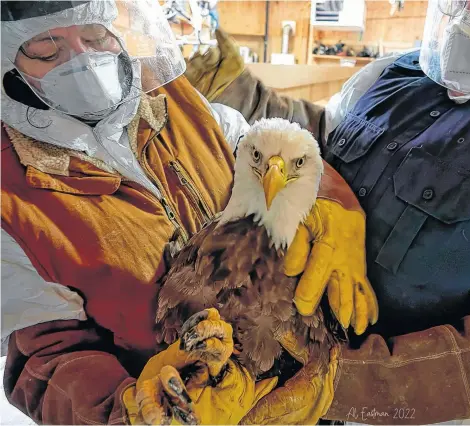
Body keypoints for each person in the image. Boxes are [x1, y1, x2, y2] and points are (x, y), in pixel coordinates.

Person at [0, 1, 379, 424]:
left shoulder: (174, 98)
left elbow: (267, 147)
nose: (85, 61)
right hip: (189, 401)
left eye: (94, 37)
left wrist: (331, 201)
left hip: (279, 355)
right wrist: (127, 410)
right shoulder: (10, 195)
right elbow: (48, 356)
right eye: (47, 49)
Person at [185, 0, 470, 424]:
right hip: (293, 360)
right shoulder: (386, 77)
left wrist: (336, 382)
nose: (468, 16)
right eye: (458, 0)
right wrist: (243, 94)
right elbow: (322, 141)